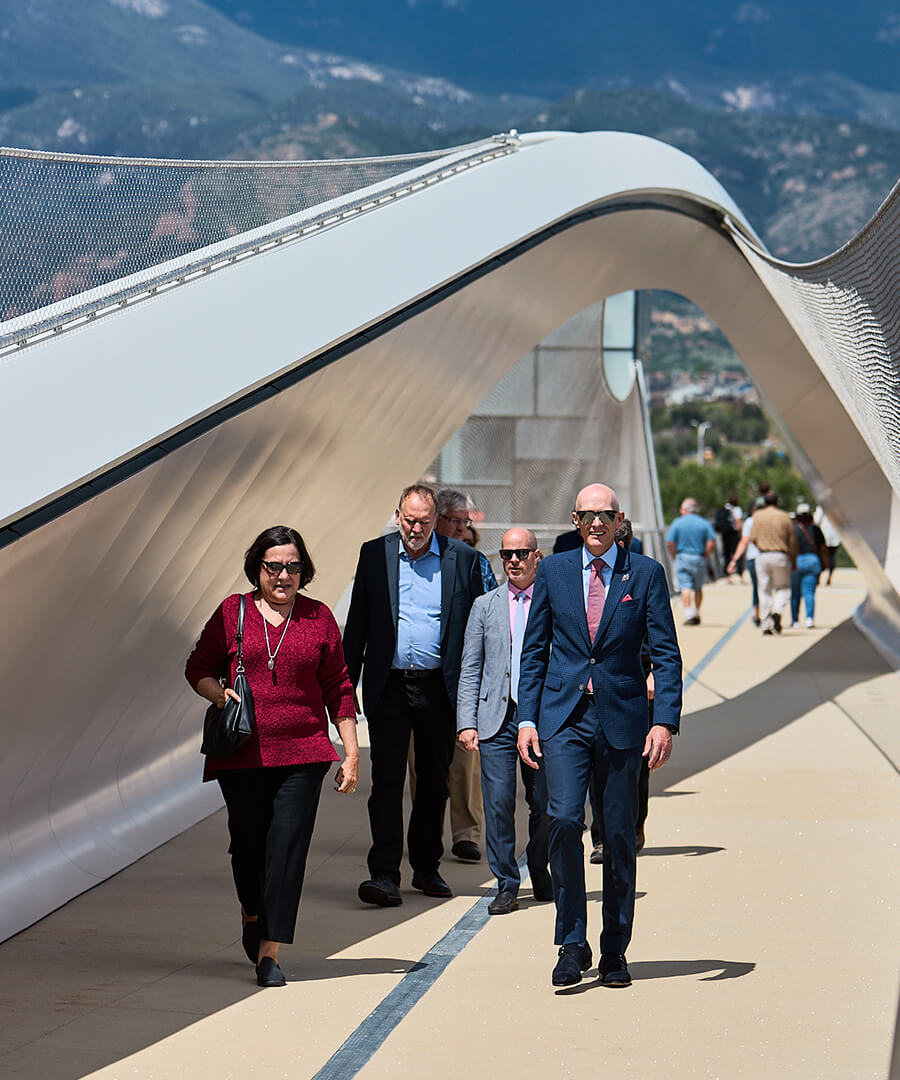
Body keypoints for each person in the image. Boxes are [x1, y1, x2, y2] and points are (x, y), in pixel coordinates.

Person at [517, 484, 683, 989]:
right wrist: (527, 717)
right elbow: (534, 650)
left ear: (619, 520)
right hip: (563, 718)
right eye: (587, 515)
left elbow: (667, 653)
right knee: (563, 820)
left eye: (604, 515)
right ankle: (571, 942)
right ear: (574, 518)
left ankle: (614, 950)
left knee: (616, 837)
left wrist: (664, 720)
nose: (595, 523)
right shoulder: (553, 571)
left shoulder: (647, 574)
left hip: (622, 720)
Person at [185, 526, 359, 988]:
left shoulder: (318, 618)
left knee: (286, 848)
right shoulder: (233, 611)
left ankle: (270, 953)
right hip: (242, 753)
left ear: (304, 570)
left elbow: (339, 686)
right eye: (274, 566)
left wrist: (351, 749)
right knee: (247, 847)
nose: (284, 575)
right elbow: (197, 667)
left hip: (304, 753)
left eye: (293, 567)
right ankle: (251, 912)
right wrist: (220, 695)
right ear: (257, 568)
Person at [343, 484, 483, 907]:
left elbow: (477, 628)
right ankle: (383, 873)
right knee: (386, 780)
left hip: (438, 688)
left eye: (423, 521)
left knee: (434, 782)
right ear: (398, 515)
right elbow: (358, 626)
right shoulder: (375, 554)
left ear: (435, 519)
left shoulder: (462, 560)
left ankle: (426, 867)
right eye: (409, 520)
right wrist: (345, 690)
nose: (415, 528)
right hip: (388, 686)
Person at [456, 528, 553, 915]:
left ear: (536, 556)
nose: (513, 560)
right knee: (497, 804)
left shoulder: (553, 602)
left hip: (542, 718)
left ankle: (540, 864)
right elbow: (470, 667)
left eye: (521, 553)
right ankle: (507, 883)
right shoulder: (485, 605)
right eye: (506, 554)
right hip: (494, 717)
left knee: (546, 802)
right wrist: (466, 721)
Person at [433, 488, 496, 863]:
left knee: (465, 759)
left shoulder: (475, 562)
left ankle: (466, 833)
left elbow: (491, 612)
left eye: (464, 522)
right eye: (454, 521)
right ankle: (427, 831)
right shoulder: (415, 562)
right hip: (421, 676)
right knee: (421, 764)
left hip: (464, 678)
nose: (460, 528)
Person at [589, 519, 651, 865]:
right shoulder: (585, 578)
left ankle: (634, 825)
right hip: (594, 686)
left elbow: (657, 632)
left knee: (636, 765)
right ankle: (601, 837)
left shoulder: (640, 576)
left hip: (636, 678)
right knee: (595, 768)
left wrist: (653, 671)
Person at [728, 491, 797, 635]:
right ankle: (778, 611)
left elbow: (751, 537)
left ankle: (765, 624)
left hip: (762, 555)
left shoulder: (757, 517)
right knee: (783, 588)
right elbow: (792, 541)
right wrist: (793, 559)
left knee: (764, 590)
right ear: (777, 502)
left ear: (764, 503)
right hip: (780, 555)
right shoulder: (785, 517)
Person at [666, 497, 716, 625]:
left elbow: (670, 542)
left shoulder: (677, 522)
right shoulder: (704, 523)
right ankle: (696, 612)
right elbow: (711, 543)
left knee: (685, 587)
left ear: (685, 510)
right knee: (698, 587)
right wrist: (706, 555)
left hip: (682, 557)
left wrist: (674, 556)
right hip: (699, 557)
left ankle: (688, 614)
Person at [790, 503, 827, 628]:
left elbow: (789, 547)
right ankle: (809, 619)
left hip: (796, 561)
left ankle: (795, 621)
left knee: (795, 593)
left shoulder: (794, 529)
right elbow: (823, 547)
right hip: (812, 560)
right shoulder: (815, 529)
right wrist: (825, 563)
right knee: (809, 593)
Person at [715, 495, 743, 580]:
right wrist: (741, 534)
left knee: (726, 554)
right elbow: (738, 524)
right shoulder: (737, 509)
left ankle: (727, 575)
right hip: (734, 534)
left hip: (725, 534)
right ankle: (740, 575)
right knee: (737, 554)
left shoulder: (725, 508)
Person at [814, 506, 841, 585]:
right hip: (835, 536)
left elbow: (816, 521)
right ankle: (829, 576)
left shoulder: (821, 507)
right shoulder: (838, 508)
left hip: (824, 535)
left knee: (820, 557)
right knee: (832, 557)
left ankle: (818, 577)